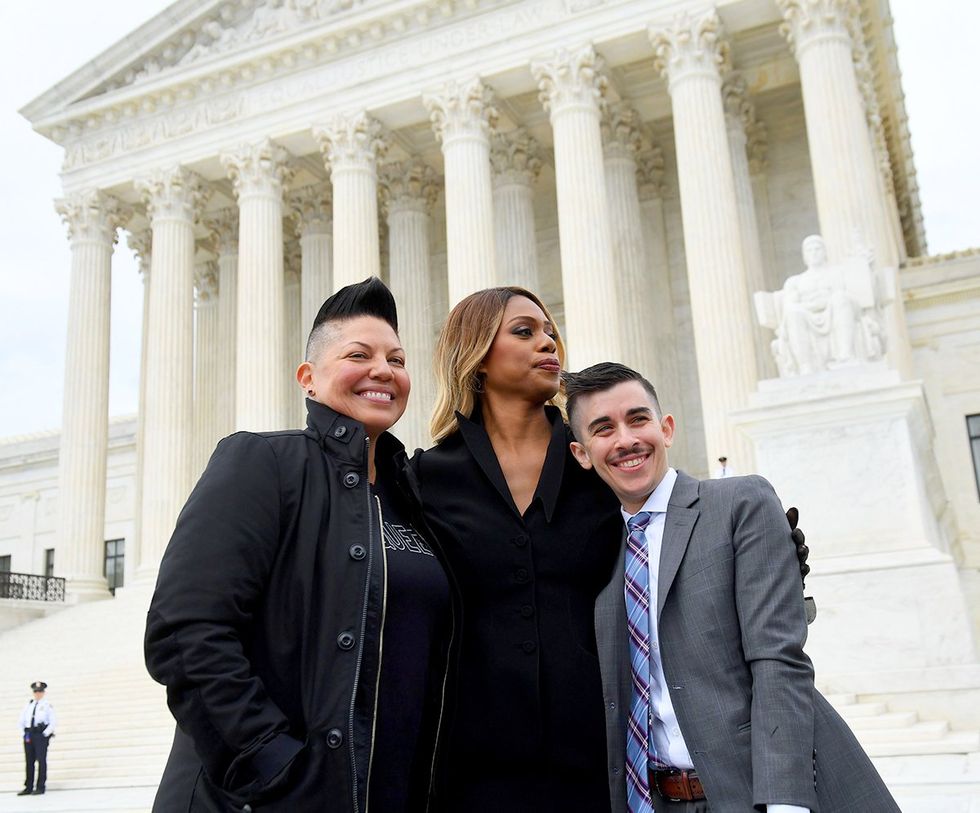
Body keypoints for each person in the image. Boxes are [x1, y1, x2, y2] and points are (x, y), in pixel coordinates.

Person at [415, 288, 809, 812]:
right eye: (525, 332)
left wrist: (777, 555)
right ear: (477, 355)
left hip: (603, 764)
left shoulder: (598, 466)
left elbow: (677, 546)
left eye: (550, 331)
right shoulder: (425, 478)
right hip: (474, 766)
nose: (548, 343)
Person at [145, 278, 453, 813]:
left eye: (396, 359)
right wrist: (274, 766)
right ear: (308, 379)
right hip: (268, 800)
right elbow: (185, 630)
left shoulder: (413, 500)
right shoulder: (262, 463)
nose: (383, 369)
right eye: (359, 354)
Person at [564, 362, 899, 813]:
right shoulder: (593, 553)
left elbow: (778, 658)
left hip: (757, 793)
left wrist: (785, 802)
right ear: (582, 453)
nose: (626, 440)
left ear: (666, 428)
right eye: (603, 429)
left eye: (638, 419)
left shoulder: (738, 505)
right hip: (654, 801)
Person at [17, 681, 55, 796]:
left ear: (43, 693)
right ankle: (28, 786)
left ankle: (40, 786)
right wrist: (23, 732)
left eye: (40, 691)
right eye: (36, 692)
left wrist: (45, 734)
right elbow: (21, 721)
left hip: (40, 735)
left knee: (41, 761)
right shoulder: (28, 705)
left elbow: (53, 722)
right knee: (29, 761)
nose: (38, 694)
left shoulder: (47, 706)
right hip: (29, 734)